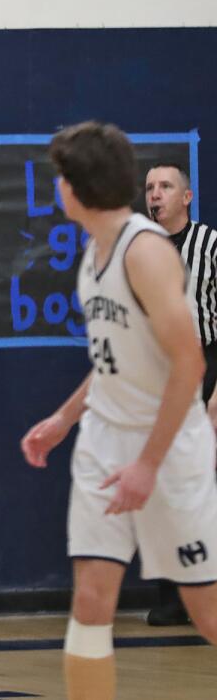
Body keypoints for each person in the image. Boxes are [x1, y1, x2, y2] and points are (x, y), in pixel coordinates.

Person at [22, 122, 217, 700]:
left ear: (77, 188)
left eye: (61, 178)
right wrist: (63, 420)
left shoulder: (146, 253)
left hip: (169, 447)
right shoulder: (94, 251)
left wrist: (148, 466)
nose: (58, 187)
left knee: (206, 611)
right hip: (106, 439)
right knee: (90, 600)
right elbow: (115, 362)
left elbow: (190, 365)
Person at [143, 162, 217, 626]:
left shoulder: (209, 244)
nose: (156, 194)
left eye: (165, 186)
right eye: (149, 187)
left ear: (186, 198)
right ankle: (176, 592)